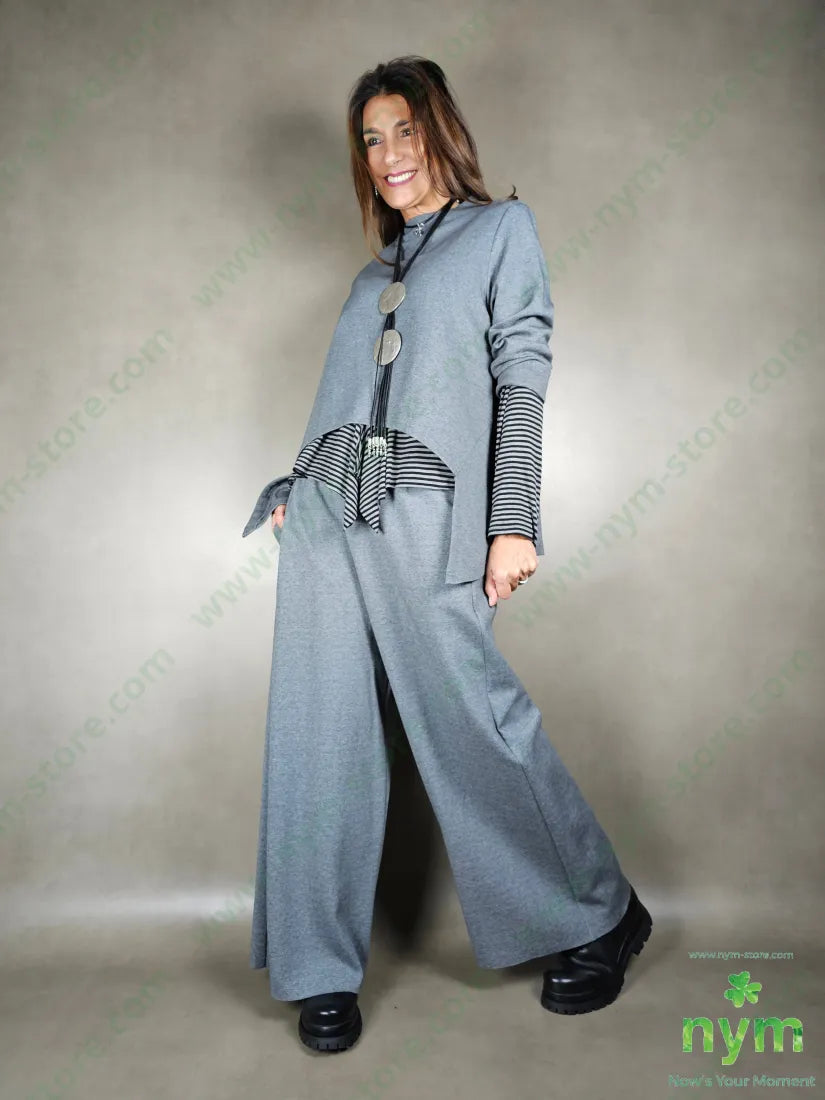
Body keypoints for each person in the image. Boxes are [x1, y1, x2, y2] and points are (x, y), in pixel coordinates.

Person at [241, 55, 652, 1054]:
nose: (387, 154)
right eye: (370, 139)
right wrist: (297, 487)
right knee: (320, 733)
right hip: (329, 519)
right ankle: (319, 968)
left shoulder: (501, 230)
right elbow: (345, 395)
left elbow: (521, 375)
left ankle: (600, 912)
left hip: (431, 515)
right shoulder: (370, 274)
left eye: (404, 131)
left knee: (474, 720)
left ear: (441, 132)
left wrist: (512, 523)